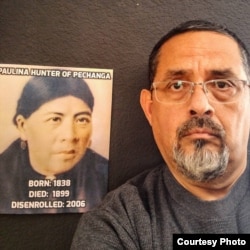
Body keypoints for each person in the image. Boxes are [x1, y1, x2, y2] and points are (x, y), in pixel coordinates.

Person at [71, 19, 250, 249]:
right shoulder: (117, 226)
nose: (200, 104)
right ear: (150, 109)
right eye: (177, 85)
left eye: (223, 84)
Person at [0, 75, 108, 214]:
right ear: (23, 125)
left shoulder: (104, 175)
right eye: (55, 119)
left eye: (82, 120)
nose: (70, 136)